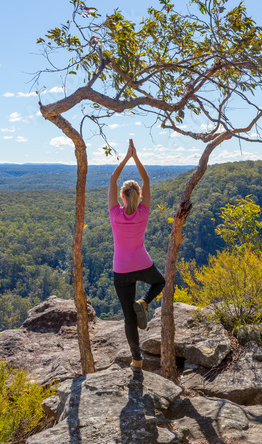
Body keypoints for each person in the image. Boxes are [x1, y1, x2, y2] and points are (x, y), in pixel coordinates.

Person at [108, 139, 166, 372]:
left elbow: (112, 179)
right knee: (160, 281)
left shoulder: (115, 213)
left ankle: (137, 359)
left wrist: (126, 157)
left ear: (122, 196)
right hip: (142, 264)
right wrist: (136, 157)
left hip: (121, 270)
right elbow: (147, 180)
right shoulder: (144, 211)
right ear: (139, 195)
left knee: (128, 318)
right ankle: (144, 301)